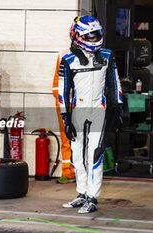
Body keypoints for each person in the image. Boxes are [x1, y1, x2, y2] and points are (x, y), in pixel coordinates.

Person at [56, 16, 123, 214]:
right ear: (77, 36)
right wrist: (65, 117)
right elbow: (63, 90)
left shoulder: (108, 55)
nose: (94, 40)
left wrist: (118, 108)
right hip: (77, 110)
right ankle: (82, 193)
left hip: (99, 110)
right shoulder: (67, 58)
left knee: (94, 154)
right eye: (89, 36)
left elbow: (114, 83)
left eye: (96, 36)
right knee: (77, 154)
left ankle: (93, 197)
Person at [53, 52, 76, 184]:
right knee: (66, 137)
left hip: (82, 104)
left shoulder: (92, 55)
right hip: (64, 104)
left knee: (83, 140)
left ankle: (82, 173)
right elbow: (56, 83)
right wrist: (60, 102)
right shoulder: (63, 55)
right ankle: (68, 172)